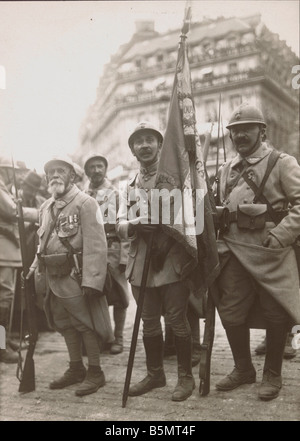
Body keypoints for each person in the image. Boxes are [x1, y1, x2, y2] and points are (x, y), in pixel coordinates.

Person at [214, 103, 300, 401]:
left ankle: (272, 374)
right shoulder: (226, 169)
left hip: (270, 250)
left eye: (246, 129)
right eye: (235, 131)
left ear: (261, 131)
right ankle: (243, 369)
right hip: (234, 250)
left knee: (276, 313)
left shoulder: (281, 162)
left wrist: (280, 236)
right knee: (230, 311)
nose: (239, 135)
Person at [116, 122, 196, 402]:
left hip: (171, 260)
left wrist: (167, 233)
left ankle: (185, 377)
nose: (145, 145)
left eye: (150, 139)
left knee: (177, 319)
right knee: (148, 321)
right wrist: (135, 225)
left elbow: (191, 218)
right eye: (138, 142)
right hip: (141, 263)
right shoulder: (127, 186)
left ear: (160, 145)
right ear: (133, 150)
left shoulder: (175, 179)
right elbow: (119, 224)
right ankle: (155, 374)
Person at [26, 156, 113, 396]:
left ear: (72, 176)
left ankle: (95, 372)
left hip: (75, 276)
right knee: (64, 324)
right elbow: (41, 244)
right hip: (51, 277)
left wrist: (93, 281)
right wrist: (33, 269)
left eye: (60, 171)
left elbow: (97, 245)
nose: (54, 175)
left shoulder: (86, 203)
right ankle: (76, 368)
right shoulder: (46, 207)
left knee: (86, 324)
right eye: (50, 171)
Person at [84, 154, 130, 355]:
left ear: (105, 168)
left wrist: (125, 257)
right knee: (95, 295)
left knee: (119, 296)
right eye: (92, 167)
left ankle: (118, 338)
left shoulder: (116, 193)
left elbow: (126, 225)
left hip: (113, 248)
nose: (96, 170)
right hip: (91, 252)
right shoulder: (83, 195)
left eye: (100, 166)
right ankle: (105, 336)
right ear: (87, 171)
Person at [0, 157, 38, 363]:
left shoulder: (4, 187)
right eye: (11, 171)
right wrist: (39, 213)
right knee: (3, 298)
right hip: (2, 251)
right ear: (5, 170)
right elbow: (13, 212)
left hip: (6, 250)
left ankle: (4, 339)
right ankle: (0, 345)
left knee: (7, 296)